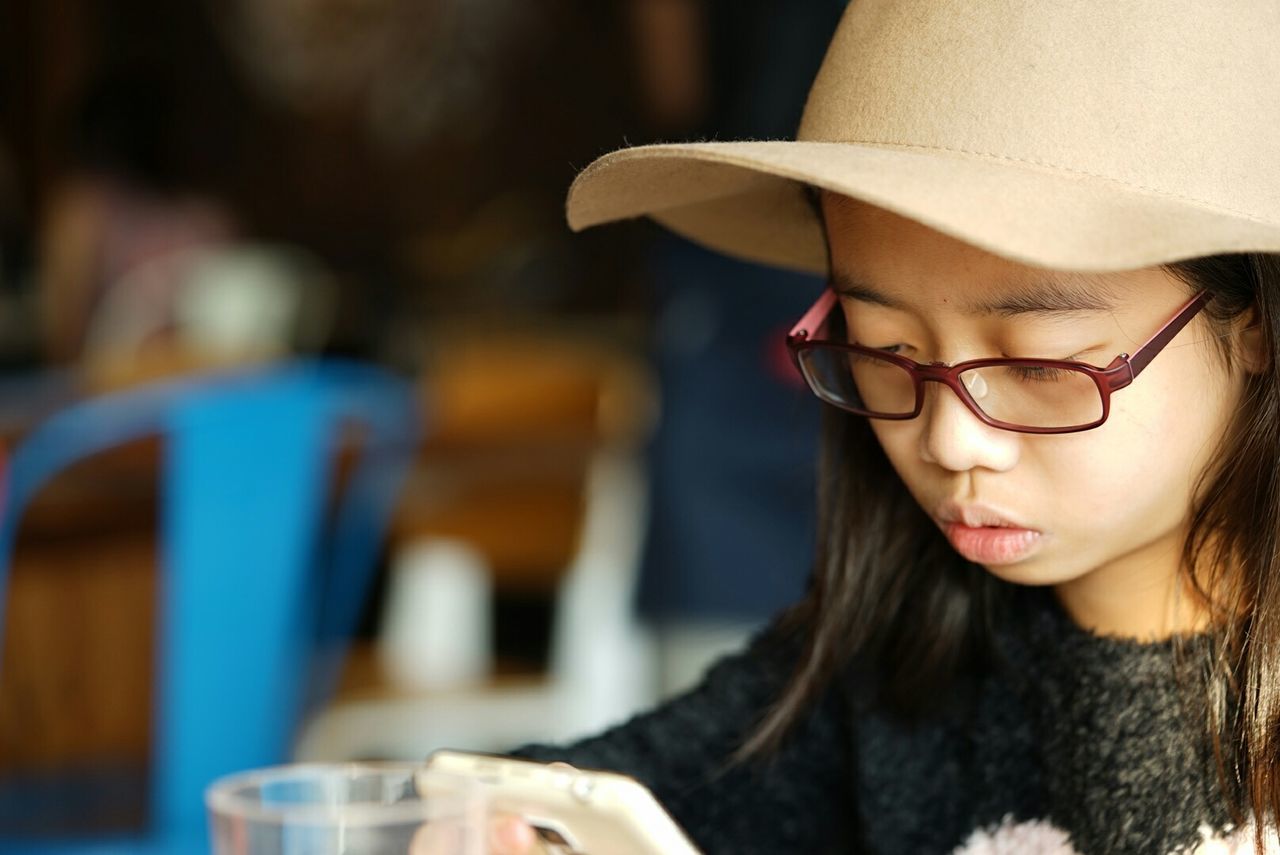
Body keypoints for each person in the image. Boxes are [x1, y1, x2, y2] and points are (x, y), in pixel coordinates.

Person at [419, 1, 1280, 852]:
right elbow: (578, 794)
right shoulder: (887, 672)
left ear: (1256, 328)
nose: (949, 441)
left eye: (1040, 368)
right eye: (882, 348)